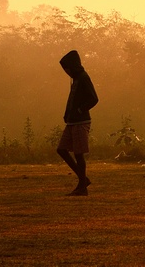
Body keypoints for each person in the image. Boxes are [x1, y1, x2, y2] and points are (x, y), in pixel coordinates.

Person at [56, 49, 98, 196]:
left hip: (81, 121)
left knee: (79, 154)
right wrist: (67, 113)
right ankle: (83, 178)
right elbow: (72, 99)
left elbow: (94, 98)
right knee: (61, 149)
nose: (66, 72)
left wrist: (80, 110)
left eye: (67, 68)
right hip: (72, 122)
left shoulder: (83, 78)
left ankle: (82, 187)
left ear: (72, 66)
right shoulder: (75, 79)